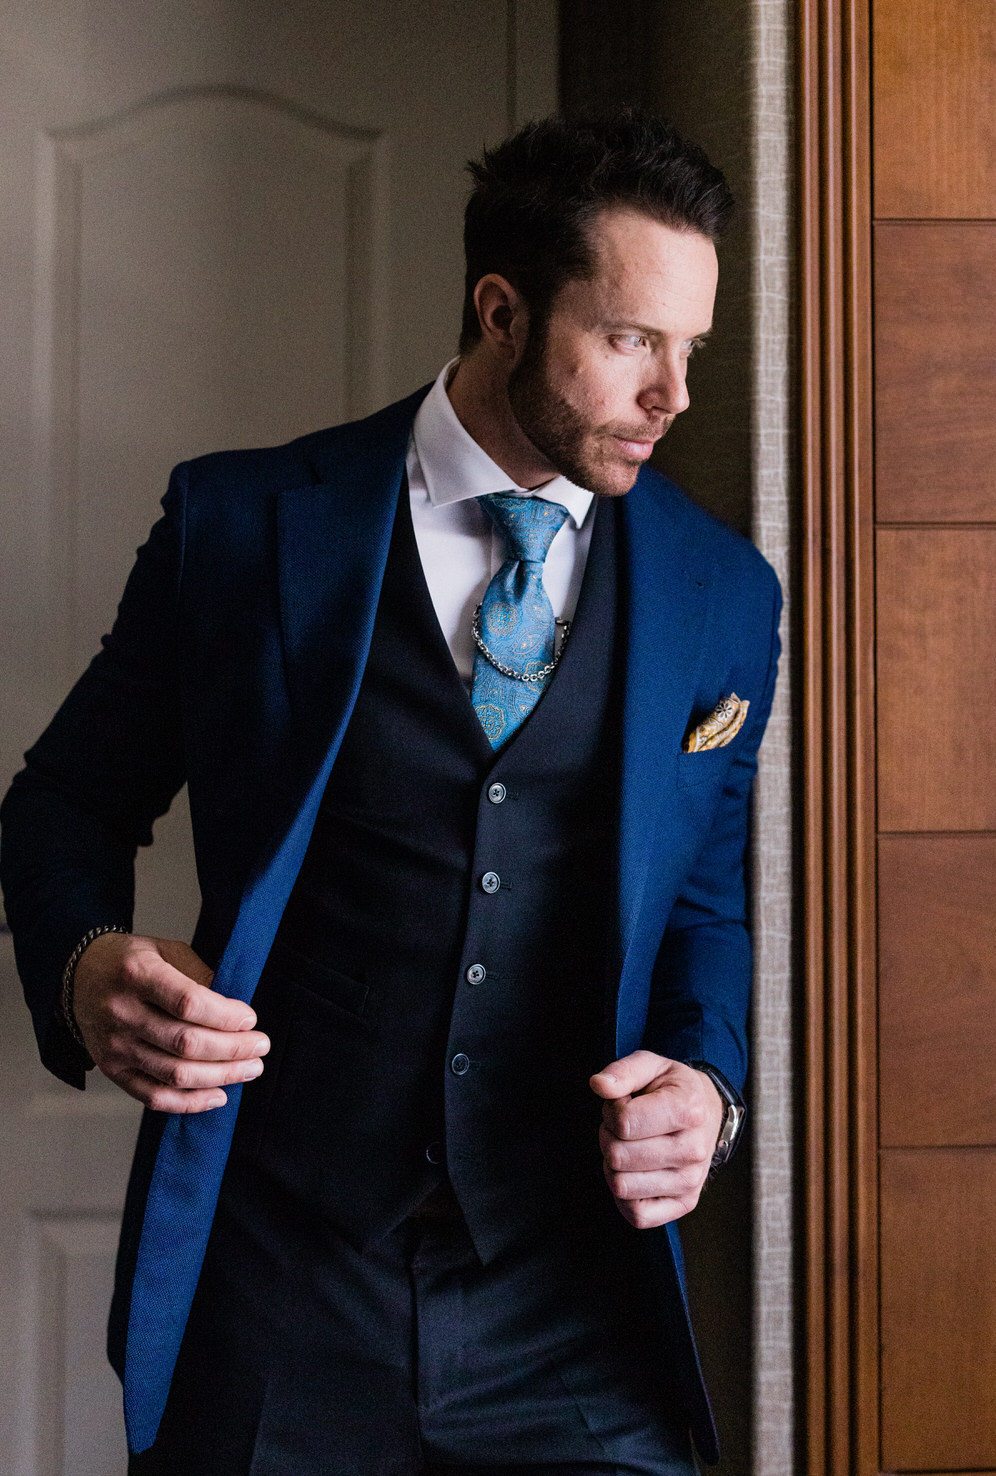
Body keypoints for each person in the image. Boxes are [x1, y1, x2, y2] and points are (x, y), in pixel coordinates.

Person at [0, 111, 780, 1475]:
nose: (676, 398)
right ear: (501, 313)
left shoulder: (725, 594)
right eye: (632, 342)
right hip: (283, 1290)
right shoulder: (244, 526)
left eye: (691, 350)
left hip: (572, 1310)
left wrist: (709, 1088)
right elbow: (62, 801)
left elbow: (706, 907)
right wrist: (83, 971)